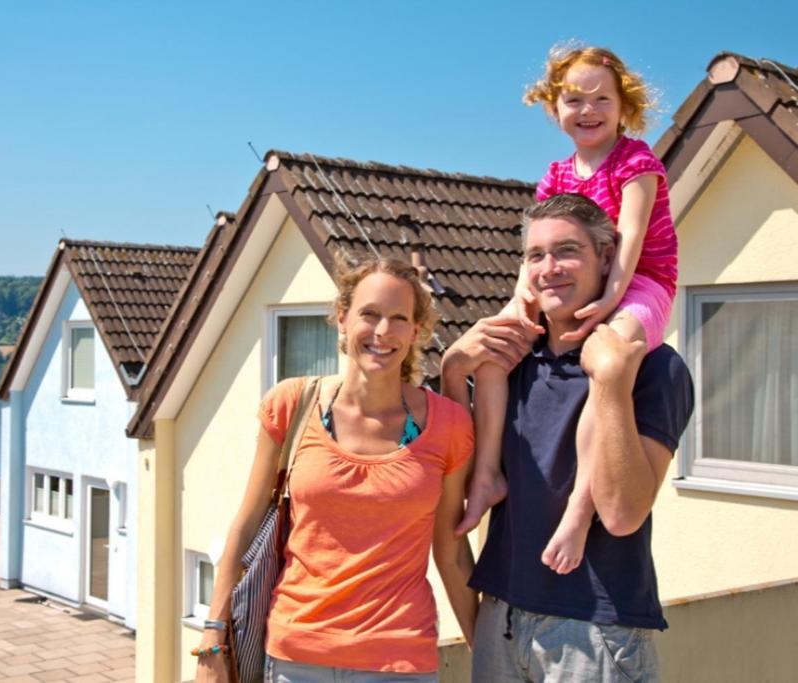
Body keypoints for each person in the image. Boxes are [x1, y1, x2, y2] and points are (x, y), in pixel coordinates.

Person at [443, 193, 693, 681]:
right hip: (501, 617)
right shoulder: (511, 363)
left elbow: (623, 514)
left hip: (597, 631)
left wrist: (611, 381)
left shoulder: (656, 367)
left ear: (606, 258)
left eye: (567, 251)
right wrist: (454, 371)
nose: (549, 268)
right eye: (536, 255)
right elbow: (463, 476)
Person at [195, 257, 478, 681]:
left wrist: (488, 652)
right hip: (296, 657)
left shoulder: (449, 425)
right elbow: (246, 524)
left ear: (416, 332)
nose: (382, 331)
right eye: (369, 314)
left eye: (398, 318)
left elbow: (452, 553)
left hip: (399, 659)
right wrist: (213, 639)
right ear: (342, 319)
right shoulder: (292, 405)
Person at [459, 45, 679, 579]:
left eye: (601, 99)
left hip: (640, 282)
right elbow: (537, 248)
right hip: (593, 283)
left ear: (622, 106)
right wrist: (520, 304)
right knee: (494, 354)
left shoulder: (637, 162)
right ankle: (487, 473)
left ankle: (580, 508)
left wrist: (609, 303)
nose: (588, 110)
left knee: (604, 369)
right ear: (554, 106)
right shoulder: (557, 174)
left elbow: (627, 244)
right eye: (574, 99)